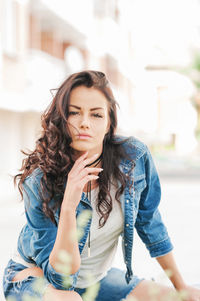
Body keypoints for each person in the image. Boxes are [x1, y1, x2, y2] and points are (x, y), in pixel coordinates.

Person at [3, 70, 200, 301]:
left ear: (109, 123)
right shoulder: (39, 181)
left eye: (96, 115)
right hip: (36, 278)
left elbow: (150, 224)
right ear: (62, 119)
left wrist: (181, 287)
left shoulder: (134, 159)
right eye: (74, 113)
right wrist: (68, 206)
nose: (84, 123)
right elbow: (62, 279)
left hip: (97, 279)